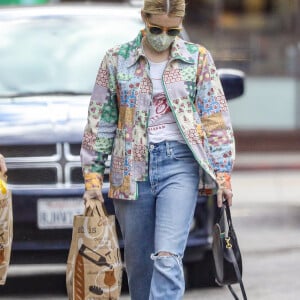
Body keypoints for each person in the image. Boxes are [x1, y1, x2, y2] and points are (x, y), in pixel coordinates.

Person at [80, 0, 235, 299]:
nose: (163, 35)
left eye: (172, 30)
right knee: (139, 267)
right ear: (144, 18)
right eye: (156, 28)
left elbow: (215, 119)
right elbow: (101, 121)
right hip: (130, 169)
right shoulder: (116, 60)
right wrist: (93, 176)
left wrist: (223, 173)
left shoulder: (197, 59)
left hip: (179, 165)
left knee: (167, 258)